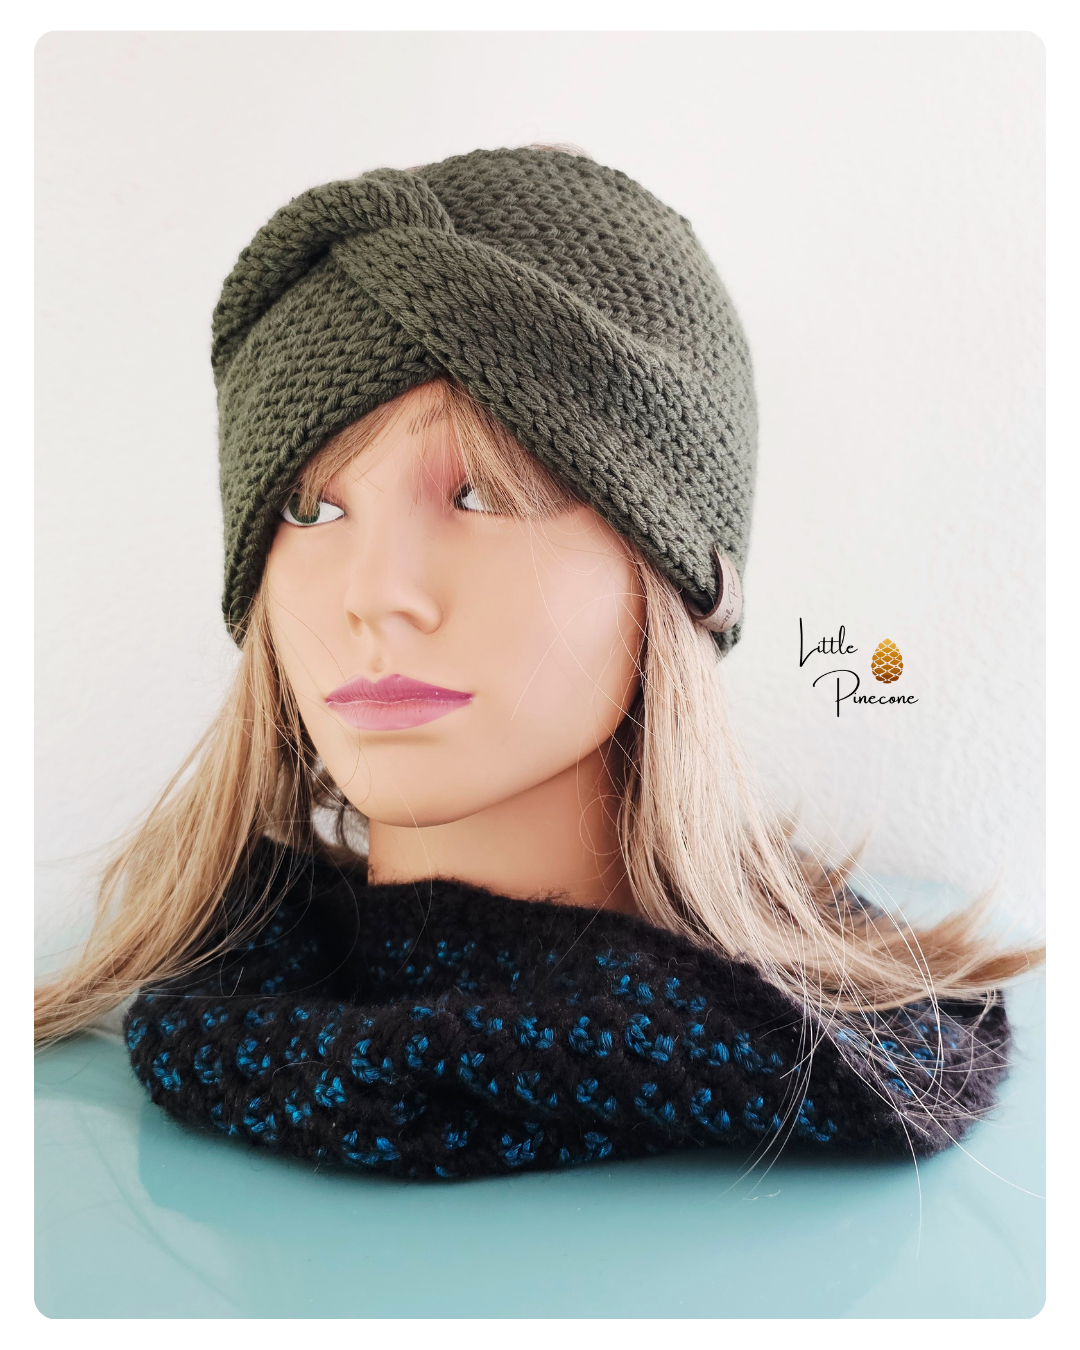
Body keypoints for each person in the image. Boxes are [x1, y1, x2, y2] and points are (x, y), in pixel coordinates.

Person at [34, 145, 1041, 1180]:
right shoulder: (176, 1028)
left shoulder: (842, 1058)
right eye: (310, 508)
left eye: (478, 495)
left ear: (681, 575)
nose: (376, 592)